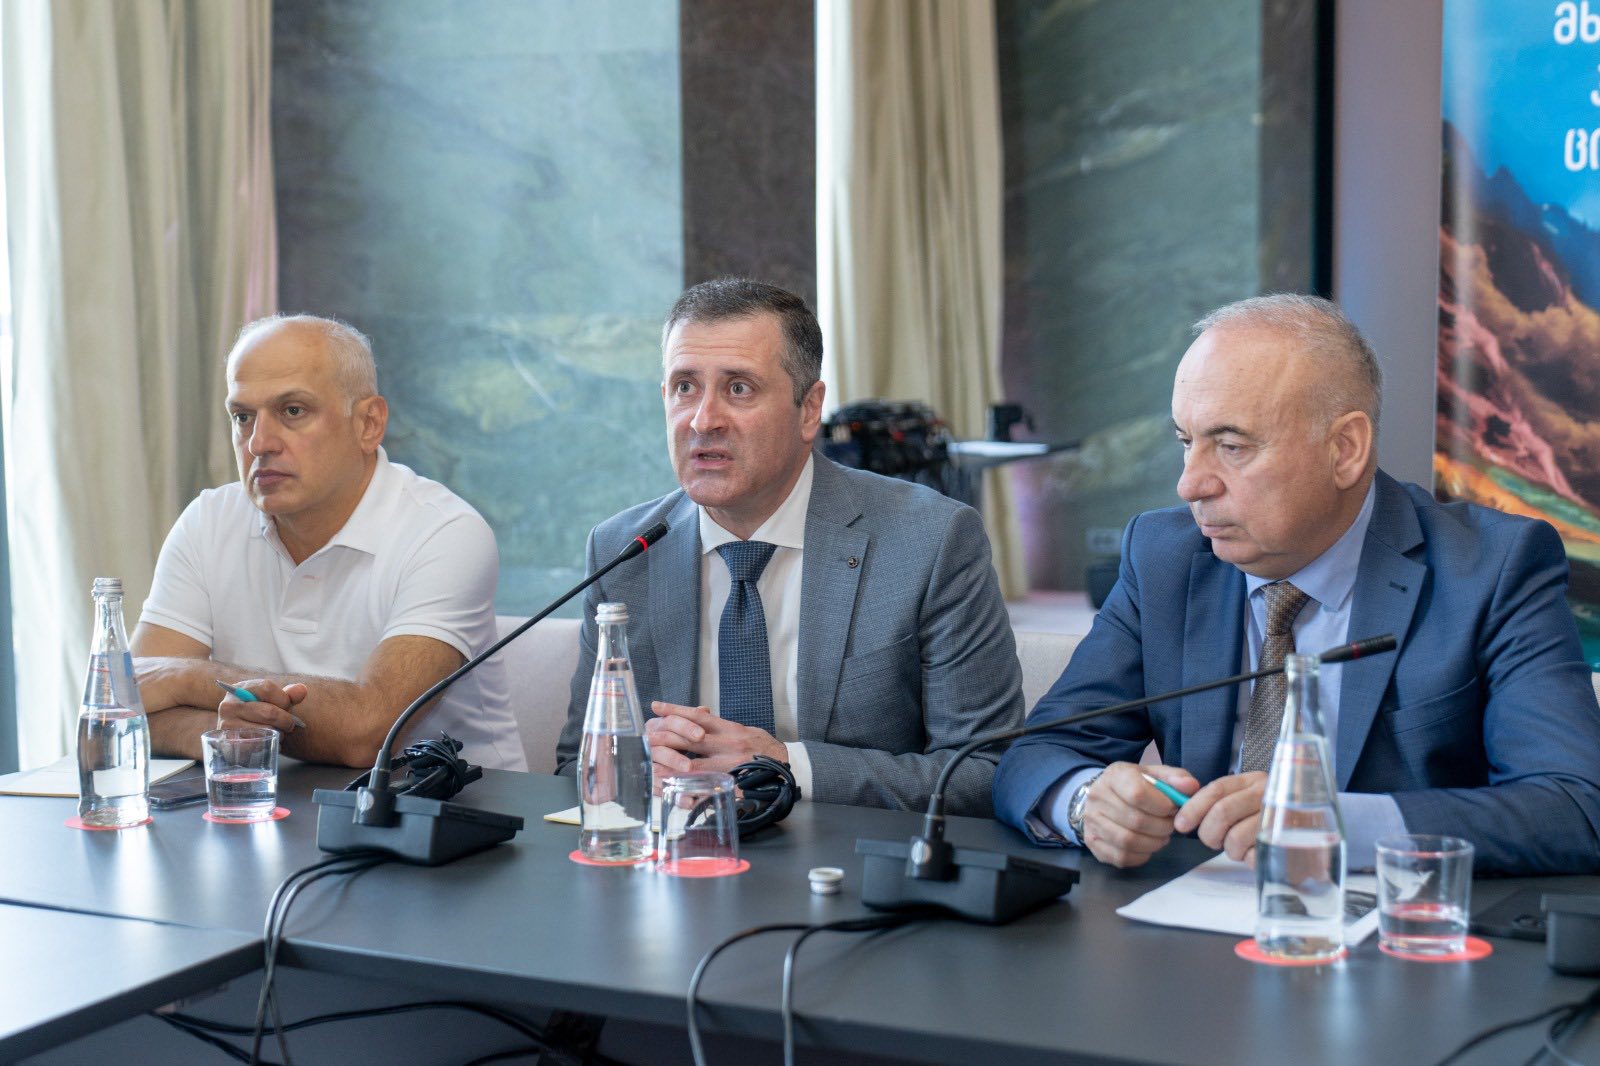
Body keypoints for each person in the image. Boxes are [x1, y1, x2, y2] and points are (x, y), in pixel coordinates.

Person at [993, 294, 1600, 875]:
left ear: (1345, 449)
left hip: (1394, 926)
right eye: (1186, 442)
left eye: (1231, 446)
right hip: (1184, 914)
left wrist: (1328, 823)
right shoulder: (1165, 557)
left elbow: (1574, 806)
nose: (1190, 484)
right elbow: (1033, 755)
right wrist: (1087, 802)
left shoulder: (1493, 568)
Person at [555, 278, 1022, 815]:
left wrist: (785, 765)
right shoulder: (623, 551)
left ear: (809, 410)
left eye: (738, 389)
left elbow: (985, 771)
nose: (703, 420)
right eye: (685, 387)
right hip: (681, 854)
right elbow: (574, 767)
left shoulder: (931, 541)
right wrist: (631, 770)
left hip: (849, 857)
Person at [131, 314, 526, 770]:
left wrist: (188, 679)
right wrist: (223, 730)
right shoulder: (209, 520)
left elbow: (369, 734)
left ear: (368, 424)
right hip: (272, 801)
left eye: (292, 411)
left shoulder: (445, 531)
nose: (259, 443)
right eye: (243, 417)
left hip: (447, 807)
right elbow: (121, 709)